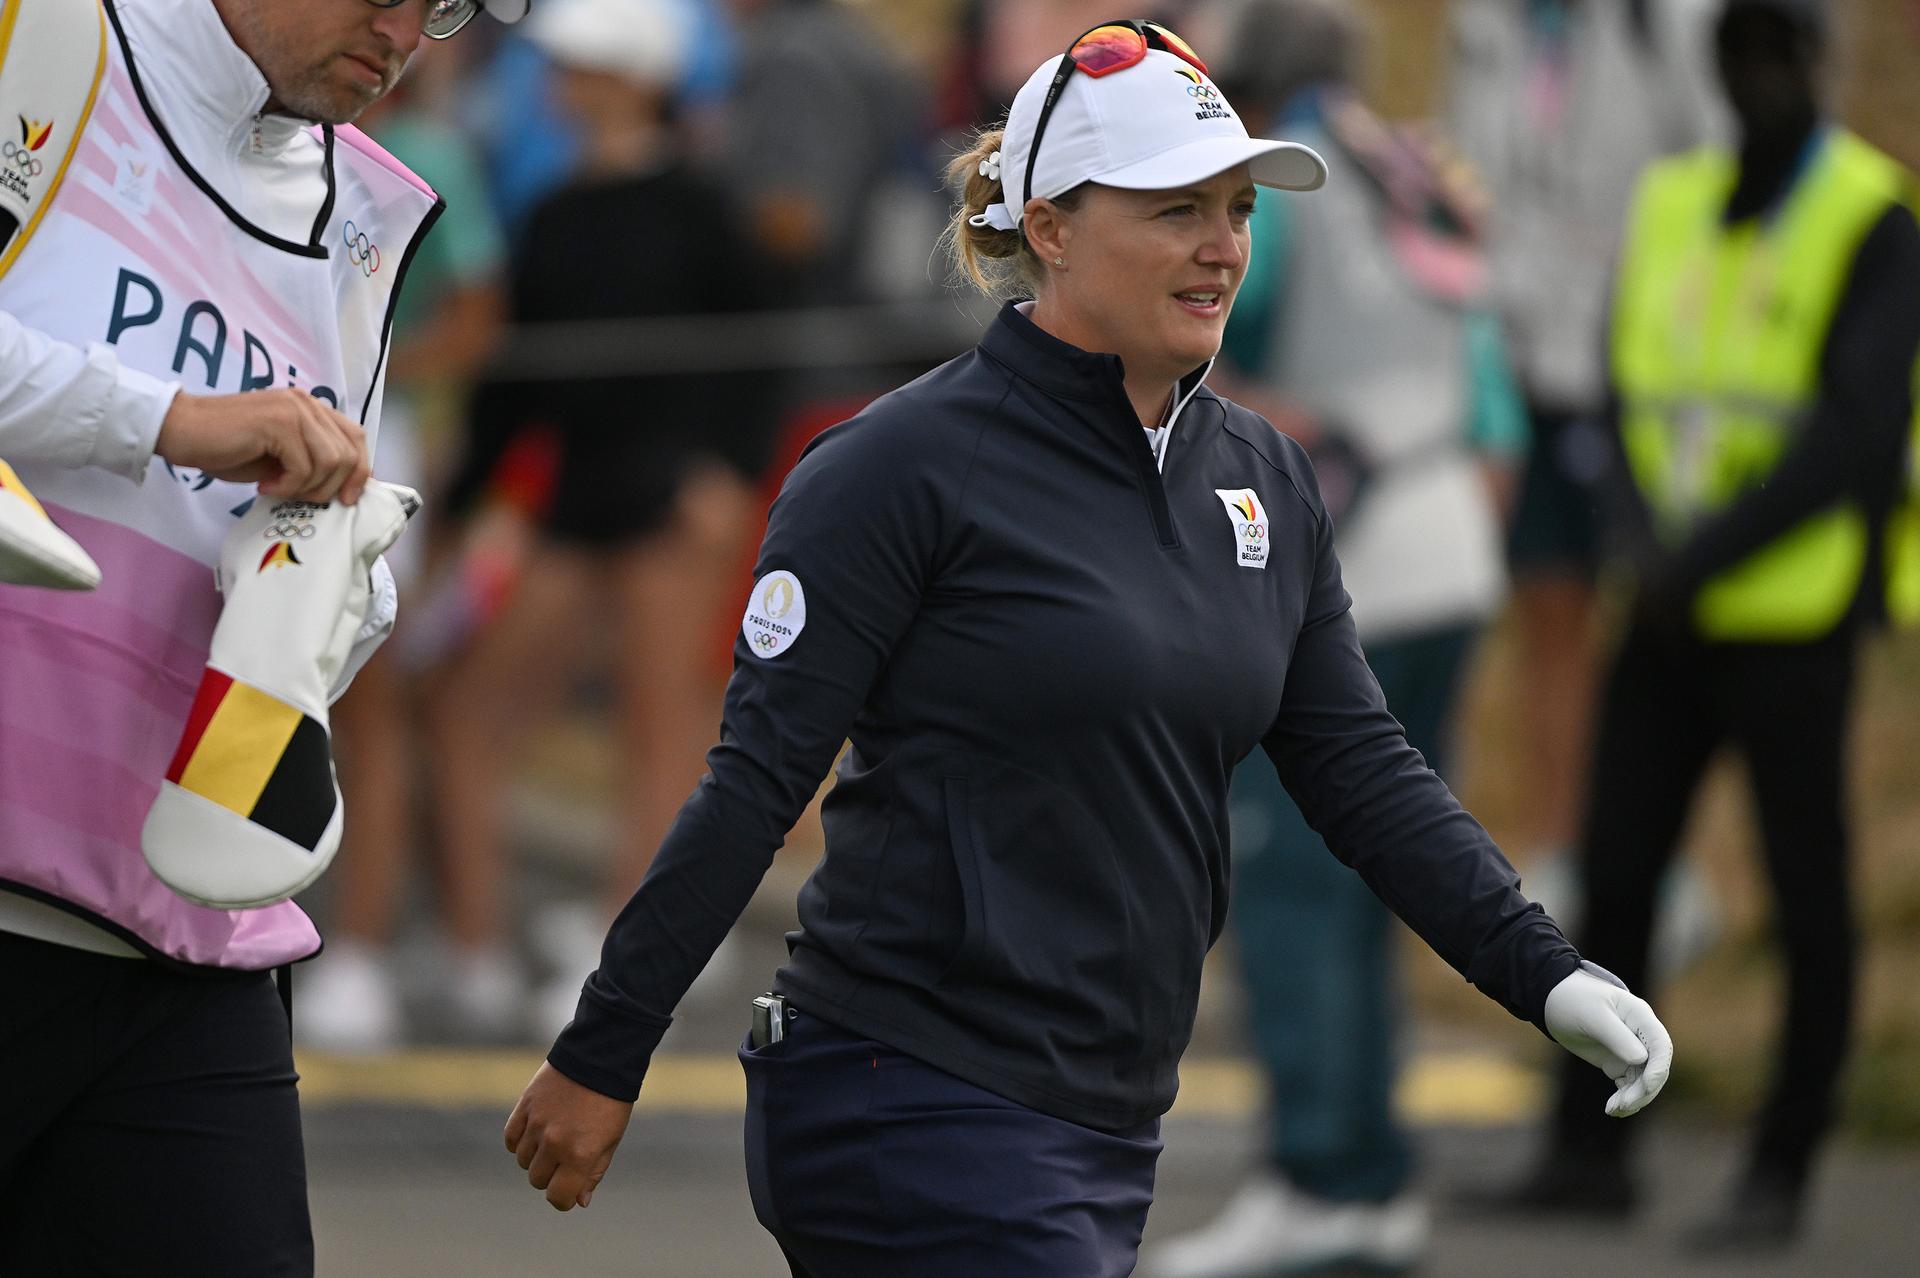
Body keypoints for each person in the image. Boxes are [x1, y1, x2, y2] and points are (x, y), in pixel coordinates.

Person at [502, 18, 1673, 1277]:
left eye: (1236, 208)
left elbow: (1366, 774)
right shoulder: (896, 468)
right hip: (904, 1096)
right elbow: (755, 782)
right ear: (1050, 228)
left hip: (1106, 1119)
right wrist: (604, 1048)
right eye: (1176, 209)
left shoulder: (1264, 478)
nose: (1222, 244)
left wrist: (1545, 974)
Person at [0, 1, 528, 1273]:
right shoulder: (40, 37)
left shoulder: (366, 214)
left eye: (448, 7)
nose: (410, 30)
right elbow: (185, 433)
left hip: (197, 946)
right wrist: (171, 418)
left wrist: (336, 580)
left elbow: (285, 573)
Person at [1486, 0, 1920, 1252]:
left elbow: (1854, 434)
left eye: (1782, 51)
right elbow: (1628, 383)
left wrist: (1700, 558)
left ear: (1819, 63)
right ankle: (1589, 1146)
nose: (1759, 76)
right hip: (1671, 605)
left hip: (1793, 613)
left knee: (1805, 891)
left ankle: (1783, 1165)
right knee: (1614, 877)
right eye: (1740, 51)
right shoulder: (1673, 199)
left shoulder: (1870, 215)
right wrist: (1642, 540)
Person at [1147, 2, 1527, 1274]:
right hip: (1455, 548)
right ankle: (1370, 1172)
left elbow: (1192, 354)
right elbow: (1491, 385)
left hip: (1347, 567)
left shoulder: (1281, 201)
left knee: (1297, 882)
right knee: (1382, 877)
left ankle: (1323, 1173)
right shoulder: (1414, 168)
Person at [426, 0, 783, 1038]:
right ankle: (476, 945)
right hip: (576, 501)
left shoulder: (705, 206)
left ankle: (627, 942)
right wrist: (457, 510)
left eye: (580, 64)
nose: (560, 80)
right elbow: (513, 393)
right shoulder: (555, 210)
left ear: (630, 79)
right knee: (470, 710)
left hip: (671, 505)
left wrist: (726, 476)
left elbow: (756, 356)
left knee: (660, 722)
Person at [1447, 0, 1722, 870]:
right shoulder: (1491, 23)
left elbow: (1715, 163)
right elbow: (1467, 173)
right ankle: (1561, 852)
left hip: (1640, 365)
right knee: (1548, 607)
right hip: (1520, 357)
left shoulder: (1667, 21)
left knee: (1654, 621)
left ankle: (1657, 858)